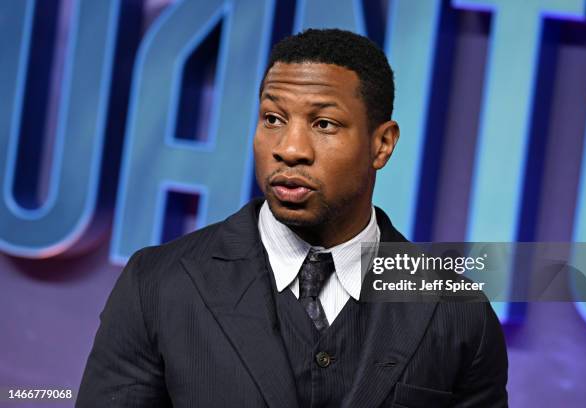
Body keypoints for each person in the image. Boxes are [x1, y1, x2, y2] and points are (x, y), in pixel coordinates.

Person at [76, 28, 508, 408]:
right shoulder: (156, 284)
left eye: (323, 123)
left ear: (382, 144)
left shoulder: (457, 312)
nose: (290, 148)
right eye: (273, 118)